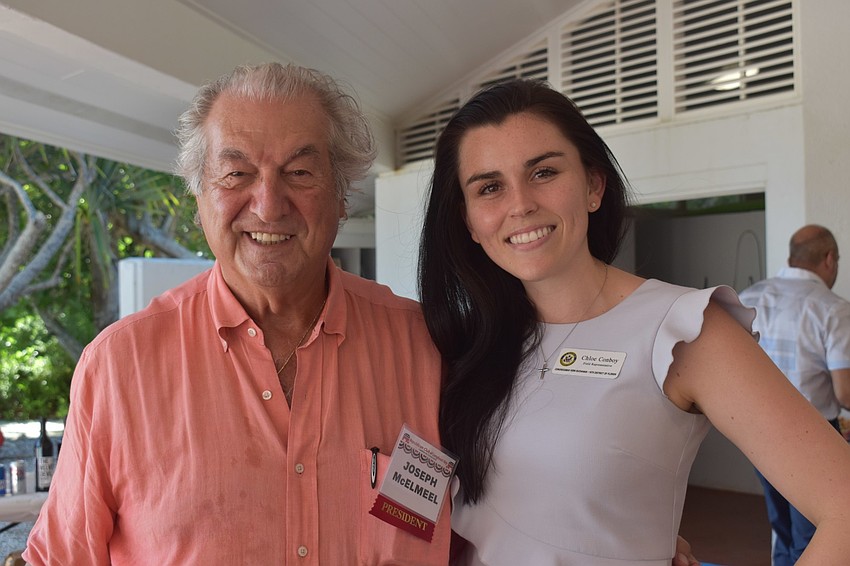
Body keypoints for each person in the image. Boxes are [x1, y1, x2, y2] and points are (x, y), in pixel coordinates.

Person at [23, 62, 451, 564]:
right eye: (236, 174)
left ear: (341, 198)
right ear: (199, 196)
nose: (269, 206)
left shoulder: (428, 347)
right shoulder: (119, 368)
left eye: (299, 172)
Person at [418, 78, 850, 565]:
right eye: (490, 186)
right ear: (469, 221)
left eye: (542, 172)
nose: (520, 204)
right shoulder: (466, 343)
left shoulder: (683, 330)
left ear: (593, 186)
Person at [738, 224, 850, 565]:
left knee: (783, 529)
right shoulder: (833, 309)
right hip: (814, 437)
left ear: (792, 257)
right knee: (817, 536)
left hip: (757, 435)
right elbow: (845, 392)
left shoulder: (747, 298)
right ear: (829, 259)